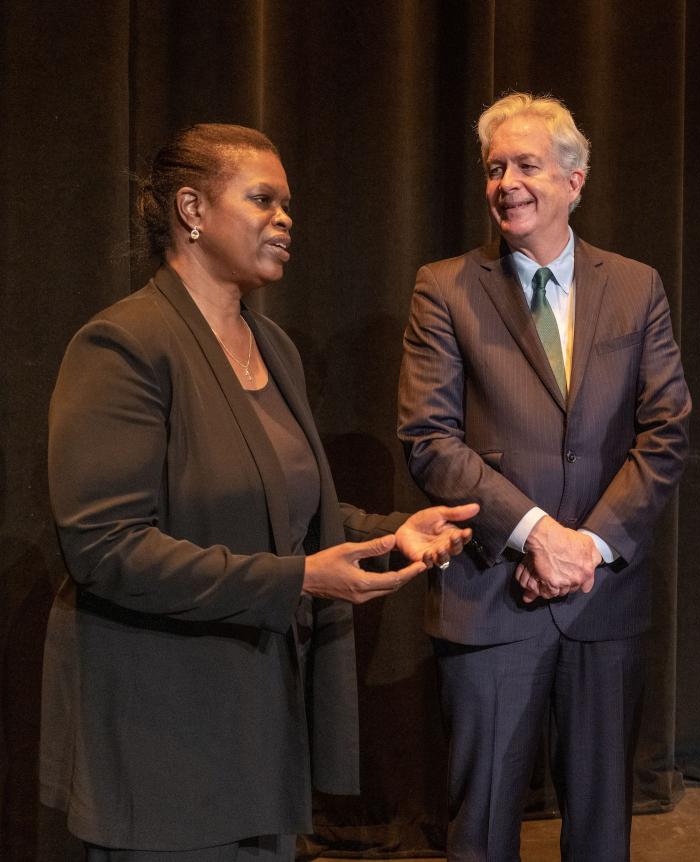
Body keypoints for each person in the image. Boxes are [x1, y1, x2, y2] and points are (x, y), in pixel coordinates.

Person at [41, 123, 478, 861]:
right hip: (164, 736)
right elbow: (106, 549)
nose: (285, 219)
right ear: (192, 209)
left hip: (262, 724)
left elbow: (283, 508)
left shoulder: (271, 348)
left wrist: (389, 532)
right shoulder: (124, 347)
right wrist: (298, 577)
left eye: (289, 204)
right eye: (263, 200)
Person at [397, 93, 690, 862]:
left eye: (526, 164)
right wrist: (536, 538)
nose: (506, 182)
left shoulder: (635, 285)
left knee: (601, 832)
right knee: (483, 829)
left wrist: (586, 547)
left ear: (574, 180)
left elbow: (666, 433)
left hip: (603, 596)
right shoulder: (445, 286)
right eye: (494, 168)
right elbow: (429, 439)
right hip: (491, 595)